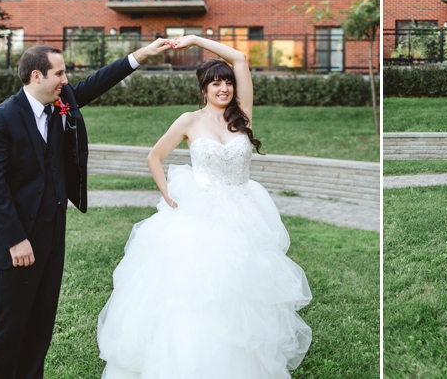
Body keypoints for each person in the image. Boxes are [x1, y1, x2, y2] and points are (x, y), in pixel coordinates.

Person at [97, 35, 312, 379]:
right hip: (200, 215)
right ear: (204, 89)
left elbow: (241, 58)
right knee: (196, 293)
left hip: (244, 212)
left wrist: (196, 39)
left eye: (226, 82)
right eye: (216, 83)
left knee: (241, 290)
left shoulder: (242, 115)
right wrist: (167, 194)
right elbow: (154, 157)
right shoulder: (189, 121)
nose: (224, 87)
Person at [0, 38, 172, 379]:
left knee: (40, 326)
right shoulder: (1, 118)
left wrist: (141, 55)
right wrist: (16, 239)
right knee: (8, 328)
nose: (66, 80)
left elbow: (97, 82)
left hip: (53, 235)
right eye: (60, 73)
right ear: (37, 76)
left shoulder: (62, 102)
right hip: (17, 242)